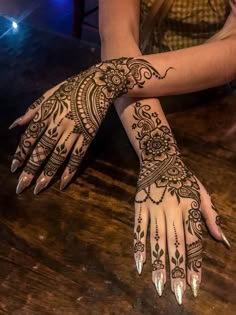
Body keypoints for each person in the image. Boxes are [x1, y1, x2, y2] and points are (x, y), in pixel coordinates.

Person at [9, 0, 235, 305]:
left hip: (211, 107)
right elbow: (117, 34)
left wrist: (101, 79)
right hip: (135, 94)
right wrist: (159, 153)